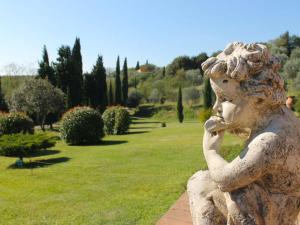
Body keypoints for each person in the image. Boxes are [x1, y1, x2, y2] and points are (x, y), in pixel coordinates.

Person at [187, 42, 300, 225]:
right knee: (212, 183)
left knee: (199, 182)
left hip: (275, 216)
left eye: (225, 99)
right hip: (278, 207)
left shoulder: (270, 140)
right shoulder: (283, 118)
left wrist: (211, 150)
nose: (216, 107)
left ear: (258, 98)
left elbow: (225, 180)